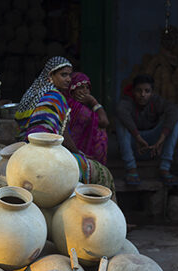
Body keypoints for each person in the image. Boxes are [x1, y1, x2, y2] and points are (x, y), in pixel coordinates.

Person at [15, 56, 115, 195]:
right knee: (102, 172)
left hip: (24, 151)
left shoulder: (35, 94)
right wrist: (79, 153)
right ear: (50, 76)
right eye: (63, 75)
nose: (68, 79)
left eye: (69, 75)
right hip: (45, 155)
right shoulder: (54, 97)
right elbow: (62, 135)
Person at [116, 74, 178, 185]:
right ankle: (131, 169)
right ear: (133, 91)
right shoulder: (127, 101)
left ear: (152, 92)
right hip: (134, 146)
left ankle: (165, 168)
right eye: (139, 91)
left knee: (174, 121)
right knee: (120, 122)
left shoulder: (155, 101)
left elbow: (175, 111)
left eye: (147, 91)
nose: (143, 95)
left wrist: (161, 139)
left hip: (152, 148)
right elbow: (121, 111)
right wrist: (137, 137)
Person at [65, 72, 109, 165]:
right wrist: (94, 102)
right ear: (72, 89)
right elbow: (104, 122)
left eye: (87, 88)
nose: (85, 91)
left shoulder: (77, 106)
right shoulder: (77, 108)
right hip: (74, 151)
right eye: (81, 87)